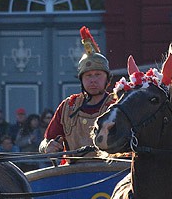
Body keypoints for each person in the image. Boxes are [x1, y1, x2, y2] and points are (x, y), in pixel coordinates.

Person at [39, 26, 115, 156]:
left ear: (107, 79)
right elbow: (45, 142)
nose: (93, 80)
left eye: (98, 75)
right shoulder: (68, 106)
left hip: (109, 167)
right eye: (88, 75)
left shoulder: (116, 105)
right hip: (73, 167)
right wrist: (48, 146)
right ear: (81, 80)